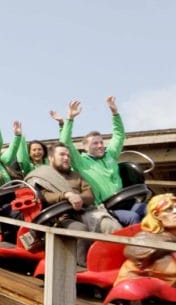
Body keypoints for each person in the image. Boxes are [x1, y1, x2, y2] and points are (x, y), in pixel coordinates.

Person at [26, 143, 122, 266]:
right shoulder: (42, 176)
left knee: (110, 225)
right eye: (62, 155)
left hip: (83, 212)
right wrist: (66, 195)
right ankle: (82, 265)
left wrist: (79, 198)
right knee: (81, 230)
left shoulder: (76, 176)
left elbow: (90, 195)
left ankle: (118, 261)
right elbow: (44, 196)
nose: (66, 158)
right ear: (51, 158)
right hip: (60, 217)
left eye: (68, 155)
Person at [60, 96, 145, 225]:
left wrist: (115, 113)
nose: (100, 146)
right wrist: (70, 119)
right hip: (105, 208)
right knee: (132, 217)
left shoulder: (110, 155)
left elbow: (119, 135)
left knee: (151, 209)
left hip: (125, 200)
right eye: (95, 143)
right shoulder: (81, 163)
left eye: (101, 142)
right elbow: (65, 142)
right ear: (85, 147)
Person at [114, 193, 176, 287]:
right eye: (168, 209)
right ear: (156, 215)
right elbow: (131, 251)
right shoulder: (148, 237)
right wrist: (173, 243)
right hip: (161, 287)